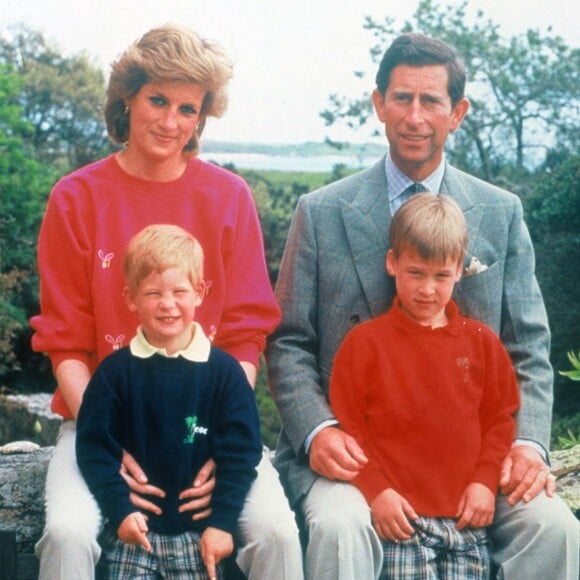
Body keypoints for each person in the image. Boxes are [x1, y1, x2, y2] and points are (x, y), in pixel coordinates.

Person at [266, 32, 579, 580]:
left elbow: (528, 346)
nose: (414, 116)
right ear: (378, 104)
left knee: (555, 528)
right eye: (401, 98)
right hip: (354, 455)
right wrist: (318, 432)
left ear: (456, 113)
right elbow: (288, 340)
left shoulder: (500, 212)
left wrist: (527, 446)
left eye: (430, 101)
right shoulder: (320, 211)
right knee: (341, 527)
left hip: (470, 458)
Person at [31, 24, 303, 580]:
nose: (170, 121)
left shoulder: (229, 197)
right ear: (126, 97)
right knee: (66, 533)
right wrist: (109, 440)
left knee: (275, 532)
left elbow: (246, 331)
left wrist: (220, 441)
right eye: (158, 100)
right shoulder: (76, 198)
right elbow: (65, 343)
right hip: (98, 421)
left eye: (187, 109)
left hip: (207, 425)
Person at [329, 194, 520, 579]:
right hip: (401, 522)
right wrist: (376, 490)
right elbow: (350, 430)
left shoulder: (480, 342)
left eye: (440, 276)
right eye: (415, 273)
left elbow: (500, 419)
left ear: (460, 272)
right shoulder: (365, 343)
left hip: (467, 523)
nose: (428, 289)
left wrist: (485, 482)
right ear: (392, 263)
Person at [76, 224, 262, 580]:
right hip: (133, 534)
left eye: (179, 291)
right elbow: (94, 448)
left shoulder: (224, 373)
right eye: (152, 293)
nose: (167, 304)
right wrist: (118, 510)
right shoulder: (114, 374)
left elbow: (241, 453)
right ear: (130, 298)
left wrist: (223, 523)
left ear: (200, 292)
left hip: (200, 537)